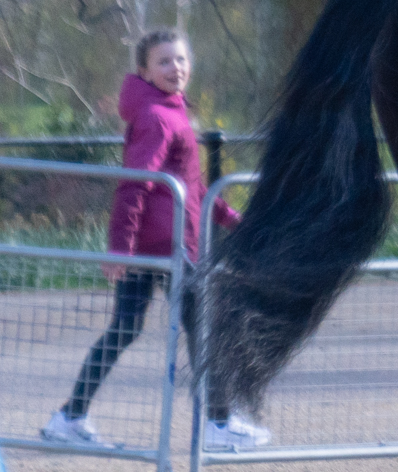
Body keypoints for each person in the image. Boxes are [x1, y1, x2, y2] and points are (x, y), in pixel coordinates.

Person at [42, 29, 272, 451]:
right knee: (207, 328)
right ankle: (218, 425)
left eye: (181, 60)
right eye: (164, 62)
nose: (176, 68)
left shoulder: (170, 111)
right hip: (167, 247)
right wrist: (120, 248)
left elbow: (192, 187)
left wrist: (231, 218)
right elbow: (137, 183)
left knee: (126, 329)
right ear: (144, 71)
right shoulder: (156, 116)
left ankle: (69, 416)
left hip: (162, 243)